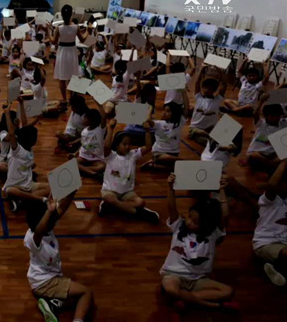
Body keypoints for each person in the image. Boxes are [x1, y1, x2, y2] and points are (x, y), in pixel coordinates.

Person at [160, 173, 238, 311]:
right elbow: (172, 208)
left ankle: (185, 298)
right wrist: (170, 188)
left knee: (228, 291)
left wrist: (221, 190)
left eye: (195, 222)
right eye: (189, 217)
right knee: (171, 288)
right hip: (174, 275)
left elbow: (224, 216)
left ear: (206, 224)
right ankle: (211, 305)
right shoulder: (179, 226)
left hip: (198, 280)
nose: (189, 222)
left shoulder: (213, 233)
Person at [24, 191, 93, 322]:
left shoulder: (45, 229)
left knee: (74, 299)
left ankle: (52, 304)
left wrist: (72, 191)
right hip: (45, 283)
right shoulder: (34, 239)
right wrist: (49, 211)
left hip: (42, 280)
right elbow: (40, 230)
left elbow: (62, 208)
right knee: (86, 293)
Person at [99, 119, 160, 223]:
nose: (127, 147)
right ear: (117, 145)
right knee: (110, 199)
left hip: (127, 192)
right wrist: (110, 128)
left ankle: (113, 208)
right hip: (110, 191)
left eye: (129, 144)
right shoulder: (111, 156)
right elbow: (106, 146)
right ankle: (138, 213)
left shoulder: (133, 155)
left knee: (140, 202)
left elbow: (148, 147)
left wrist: (147, 131)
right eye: (124, 144)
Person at [2, 101, 50, 211]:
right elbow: (11, 133)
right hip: (15, 187)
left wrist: (22, 104)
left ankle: (23, 201)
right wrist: (7, 113)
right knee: (10, 191)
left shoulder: (29, 148)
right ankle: (39, 200)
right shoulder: (17, 150)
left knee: (52, 187)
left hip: (29, 185)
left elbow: (24, 124)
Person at [253, 159, 287, 287]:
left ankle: (276, 268)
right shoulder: (269, 200)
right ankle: (278, 267)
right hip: (266, 243)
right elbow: (272, 186)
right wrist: (284, 163)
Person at [52, 4, 86, 105]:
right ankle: (71, 98)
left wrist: (48, 32)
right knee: (72, 77)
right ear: (71, 14)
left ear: (61, 15)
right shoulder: (76, 27)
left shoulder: (59, 28)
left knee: (62, 78)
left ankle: (64, 99)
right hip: (72, 52)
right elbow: (83, 39)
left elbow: (54, 42)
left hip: (62, 52)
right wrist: (88, 31)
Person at [246, 94, 287, 172]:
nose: (276, 118)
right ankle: (271, 165)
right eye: (272, 116)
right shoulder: (261, 123)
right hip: (259, 154)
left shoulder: (283, 123)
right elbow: (255, 114)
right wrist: (261, 101)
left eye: (278, 116)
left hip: (272, 155)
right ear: (266, 116)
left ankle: (270, 165)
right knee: (253, 155)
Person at [188, 65, 227, 146]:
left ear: (214, 90)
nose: (206, 90)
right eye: (205, 88)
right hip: (196, 128)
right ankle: (211, 139)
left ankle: (213, 138)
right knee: (207, 142)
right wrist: (202, 69)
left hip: (211, 128)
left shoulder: (217, 99)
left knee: (228, 131)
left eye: (209, 89)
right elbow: (197, 82)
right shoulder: (198, 97)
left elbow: (224, 85)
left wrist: (220, 70)